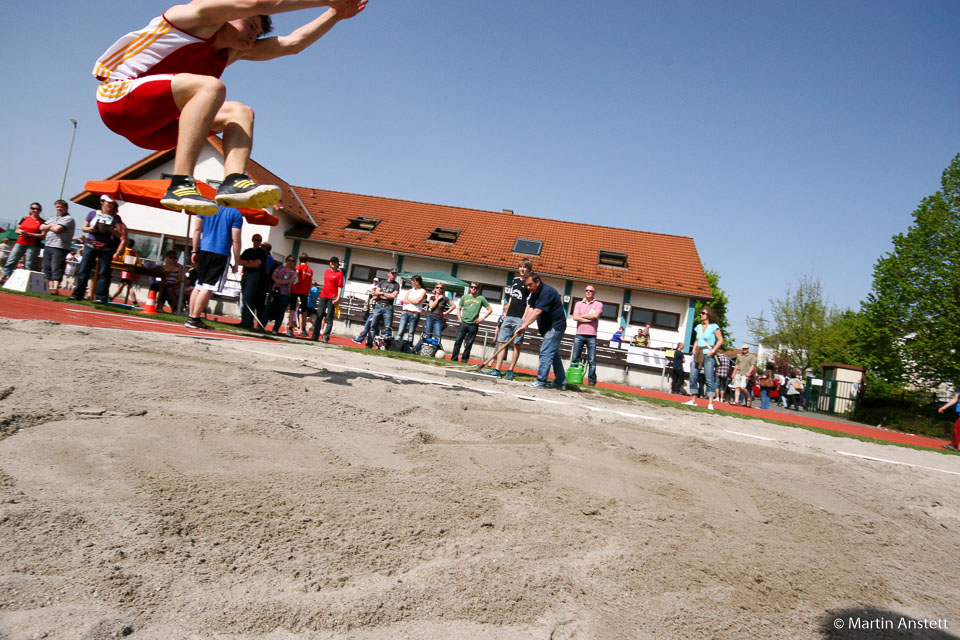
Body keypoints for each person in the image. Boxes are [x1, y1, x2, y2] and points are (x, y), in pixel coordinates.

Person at [93, 0, 367, 216]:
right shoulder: (190, 17)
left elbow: (291, 44)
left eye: (257, 34)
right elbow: (258, 3)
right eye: (250, 26)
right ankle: (180, 184)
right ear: (228, 12)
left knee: (240, 112)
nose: (253, 36)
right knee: (211, 88)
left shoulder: (229, 52)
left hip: (156, 130)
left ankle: (233, 181)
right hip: (119, 101)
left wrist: (336, 13)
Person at [185, 205, 245, 329]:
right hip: (220, 252)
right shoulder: (235, 213)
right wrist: (237, 261)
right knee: (208, 285)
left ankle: (191, 316)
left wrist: (194, 251)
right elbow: (236, 239)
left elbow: (197, 230)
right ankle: (194, 318)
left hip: (204, 249)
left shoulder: (205, 207)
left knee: (199, 284)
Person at [69, 196, 128, 304]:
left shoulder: (116, 217)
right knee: (84, 270)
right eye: (108, 203)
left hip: (106, 247)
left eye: (112, 203)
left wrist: (112, 230)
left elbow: (120, 234)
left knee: (103, 273)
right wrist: (90, 229)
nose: (110, 205)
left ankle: (101, 297)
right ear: (102, 202)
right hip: (90, 245)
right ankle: (77, 294)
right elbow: (84, 227)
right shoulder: (92, 213)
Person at [515, 273, 567, 390]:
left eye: (530, 285)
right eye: (527, 285)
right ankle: (560, 381)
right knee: (553, 355)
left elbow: (538, 311)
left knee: (545, 353)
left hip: (555, 326)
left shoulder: (547, 292)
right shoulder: (534, 293)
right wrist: (523, 325)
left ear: (537, 282)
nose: (528, 288)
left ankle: (541, 381)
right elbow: (531, 309)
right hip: (547, 327)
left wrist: (525, 325)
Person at [486, 259, 533, 380]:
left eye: (525, 267)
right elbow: (511, 298)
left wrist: (524, 319)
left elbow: (530, 303)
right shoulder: (515, 281)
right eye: (520, 267)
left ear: (529, 269)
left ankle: (511, 370)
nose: (522, 269)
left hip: (519, 318)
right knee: (502, 342)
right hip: (509, 316)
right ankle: (497, 369)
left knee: (516, 344)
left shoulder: (530, 282)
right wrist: (505, 313)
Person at [681, 306, 723, 410]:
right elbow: (697, 340)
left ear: (708, 314)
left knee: (709, 378)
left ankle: (710, 403)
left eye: (703, 313)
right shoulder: (698, 327)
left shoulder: (714, 326)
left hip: (708, 354)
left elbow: (720, 340)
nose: (701, 314)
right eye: (701, 313)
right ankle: (693, 400)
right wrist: (693, 350)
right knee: (693, 376)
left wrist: (712, 351)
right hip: (698, 353)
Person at [38, 199, 76, 295]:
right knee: (47, 267)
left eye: (61, 207)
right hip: (48, 244)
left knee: (57, 267)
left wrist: (49, 226)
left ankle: (55, 287)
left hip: (60, 246)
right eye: (57, 207)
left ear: (66, 208)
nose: (59, 209)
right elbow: (41, 227)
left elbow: (58, 229)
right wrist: (51, 226)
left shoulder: (69, 219)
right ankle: (50, 287)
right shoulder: (53, 218)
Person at [2, 202, 45, 281]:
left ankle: (26, 282)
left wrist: (30, 234)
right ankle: (3, 278)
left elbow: (43, 235)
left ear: (40, 210)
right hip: (21, 242)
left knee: (29, 264)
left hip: (33, 244)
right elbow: (17, 229)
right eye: (33, 208)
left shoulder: (42, 221)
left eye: (37, 209)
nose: (35, 210)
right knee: (11, 260)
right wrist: (19, 232)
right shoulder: (24, 218)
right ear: (30, 209)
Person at [450, 282, 491, 363]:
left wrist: (482, 318)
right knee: (458, 341)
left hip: (473, 325)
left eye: (475, 287)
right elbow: (459, 308)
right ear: (469, 288)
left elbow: (490, 310)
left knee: (469, 344)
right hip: (463, 323)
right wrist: (459, 319)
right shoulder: (464, 297)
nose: (473, 288)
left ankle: (464, 360)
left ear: (477, 289)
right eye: (472, 287)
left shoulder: (481, 298)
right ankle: (454, 359)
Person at [570, 284, 603, 386]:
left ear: (594, 293)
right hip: (579, 334)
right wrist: (589, 318)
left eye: (591, 291)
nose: (588, 292)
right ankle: (573, 378)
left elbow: (595, 316)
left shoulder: (598, 304)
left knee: (592, 360)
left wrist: (582, 316)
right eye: (587, 290)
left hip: (592, 335)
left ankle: (591, 381)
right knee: (575, 358)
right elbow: (575, 317)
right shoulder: (579, 303)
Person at [311, 255, 344, 343]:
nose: (333, 263)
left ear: (337, 264)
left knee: (329, 317)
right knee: (319, 315)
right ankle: (315, 334)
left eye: (334, 262)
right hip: (324, 295)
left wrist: (338, 297)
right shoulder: (326, 272)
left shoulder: (339, 274)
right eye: (331, 262)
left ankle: (326, 335)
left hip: (332, 297)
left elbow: (340, 287)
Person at [365, 268, 400, 348]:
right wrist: (386, 295)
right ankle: (369, 344)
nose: (394, 275)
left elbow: (393, 296)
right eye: (392, 273)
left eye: (395, 274)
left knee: (387, 327)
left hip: (388, 307)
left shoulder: (396, 285)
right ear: (388, 274)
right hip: (378, 305)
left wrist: (382, 293)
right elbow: (376, 293)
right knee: (373, 325)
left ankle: (385, 345)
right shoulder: (382, 282)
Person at [238, 234, 266, 328]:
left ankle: (247, 321)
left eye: (260, 240)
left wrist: (247, 263)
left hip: (255, 276)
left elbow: (257, 264)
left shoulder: (261, 253)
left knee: (248, 297)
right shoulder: (247, 251)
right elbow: (239, 261)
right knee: (244, 297)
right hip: (246, 275)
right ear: (253, 240)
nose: (258, 242)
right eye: (256, 240)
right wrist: (249, 262)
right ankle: (245, 320)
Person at [415, 283, 452, 352]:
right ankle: (421, 350)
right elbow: (431, 306)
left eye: (441, 288)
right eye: (437, 287)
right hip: (430, 317)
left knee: (437, 337)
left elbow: (453, 305)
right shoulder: (432, 297)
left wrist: (446, 312)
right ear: (435, 289)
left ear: (443, 290)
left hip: (439, 319)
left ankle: (438, 352)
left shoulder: (445, 299)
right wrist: (437, 299)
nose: (439, 289)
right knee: (428, 336)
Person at [268, 255, 297, 334]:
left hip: (285, 293)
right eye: (288, 260)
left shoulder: (294, 272)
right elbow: (274, 274)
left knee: (281, 312)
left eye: (292, 261)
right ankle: (262, 325)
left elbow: (291, 281)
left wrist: (281, 282)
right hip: (275, 291)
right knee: (269, 308)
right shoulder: (280, 268)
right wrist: (276, 280)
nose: (290, 262)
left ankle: (275, 329)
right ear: (286, 260)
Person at [396, 275, 427, 344]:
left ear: (417, 282)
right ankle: (396, 344)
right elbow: (404, 300)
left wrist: (409, 300)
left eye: (413, 281)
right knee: (400, 330)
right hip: (405, 312)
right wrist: (413, 301)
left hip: (414, 313)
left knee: (411, 331)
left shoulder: (423, 291)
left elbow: (417, 301)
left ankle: (409, 345)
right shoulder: (410, 290)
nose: (411, 282)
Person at [289, 253, 313, 337]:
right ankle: (303, 329)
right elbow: (310, 283)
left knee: (292, 309)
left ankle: (290, 328)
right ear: (307, 260)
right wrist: (308, 291)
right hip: (304, 292)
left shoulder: (298, 267)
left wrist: (289, 285)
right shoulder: (310, 270)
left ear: (299, 260)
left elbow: (295, 275)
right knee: (304, 311)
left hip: (295, 290)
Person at [110, 238, 140, 305]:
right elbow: (139, 262)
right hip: (132, 272)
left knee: (128, 287)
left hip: (126, 272)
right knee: (122, 285)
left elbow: (118, 259)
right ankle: (111, 297)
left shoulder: (124, 252)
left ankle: (135, 302)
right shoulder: (135, 253)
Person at [351, 277, 380, 344]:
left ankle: (360, 340)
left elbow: (374, 307)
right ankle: (376, 341)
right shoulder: (372, 299)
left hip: (373, 314)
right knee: (373, 328)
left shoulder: (376, 300)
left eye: (373, 291)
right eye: (371, 291)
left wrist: (371, 305)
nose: (371, 292)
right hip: (370, 314)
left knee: (368, 328)